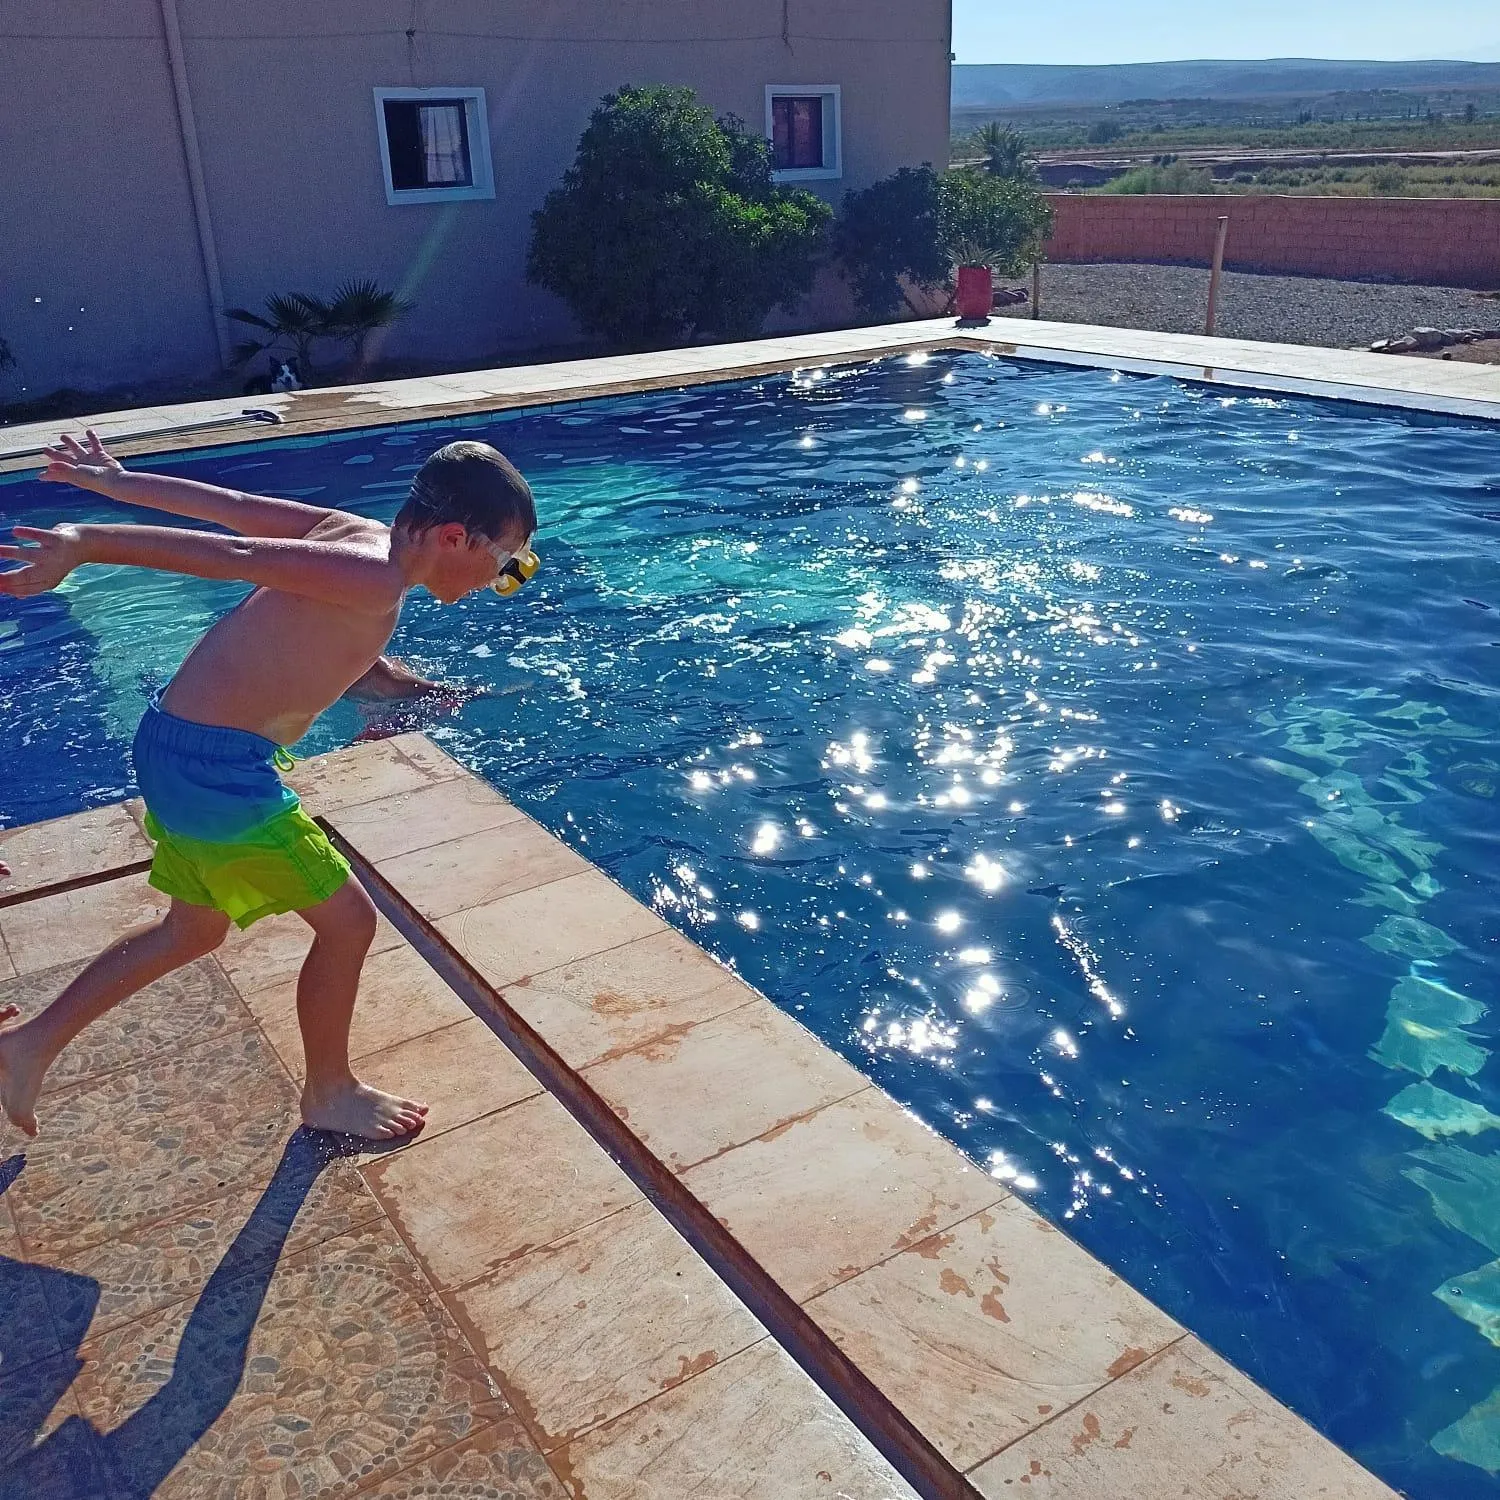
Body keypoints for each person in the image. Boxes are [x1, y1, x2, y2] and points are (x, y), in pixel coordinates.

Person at [0, 432, 538, 1141]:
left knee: (190, 930)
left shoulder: (361, 540)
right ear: (452, 537)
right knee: (348, 925)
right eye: (504, 564)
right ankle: (329, 1092)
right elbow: (236, 556)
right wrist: (84, 540)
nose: (501, 582)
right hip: (214, 770)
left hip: (181, 745)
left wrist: (119, 481)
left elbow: (235, 506)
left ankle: (25, 1047)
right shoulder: (371, 578)